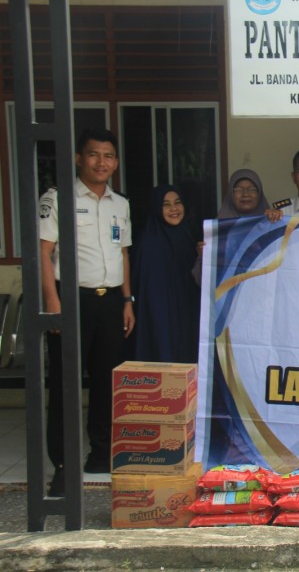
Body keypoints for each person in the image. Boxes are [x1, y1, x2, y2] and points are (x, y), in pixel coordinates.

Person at [39, 129, 135, 495]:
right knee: (65, 384)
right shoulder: (58, 198)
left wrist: (128, 301)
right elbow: (45, 253)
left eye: (108, 156)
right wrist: (53, 302)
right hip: (70, 298)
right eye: (94, 155)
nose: (101, 162)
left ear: (115, 162)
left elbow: (122, 253)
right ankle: (63, 465)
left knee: (106, 381)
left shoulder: (119, 203)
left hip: (110, 300)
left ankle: (100, 455)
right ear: (80, 158)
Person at [133, 185, 200, 364]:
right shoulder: (147, 243)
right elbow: (147, 294)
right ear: (156, 208)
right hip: (160, 318)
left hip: (186, 315)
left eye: (178, 203)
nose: (174, 209)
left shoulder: (187, 236)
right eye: (166, 204)